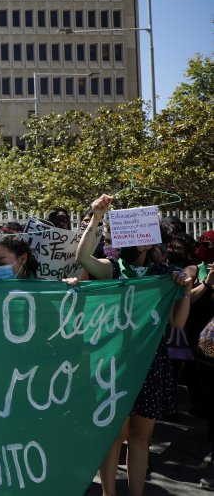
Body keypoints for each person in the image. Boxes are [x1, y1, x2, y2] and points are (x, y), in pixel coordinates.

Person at [75, 194, 194, 496]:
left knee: (141, 437)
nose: (116, 244)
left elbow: (178, 323)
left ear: (144, 243)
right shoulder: (113, 269)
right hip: (113, 362)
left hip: (150, 363)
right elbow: (83, 259)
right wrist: (96, 217)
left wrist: (186, 289)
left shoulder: (165, 276)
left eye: (124, 239)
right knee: (114, 434)